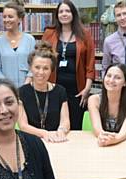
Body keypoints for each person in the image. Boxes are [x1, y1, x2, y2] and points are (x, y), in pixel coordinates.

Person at [42, 0, 96, 131]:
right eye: (61, 11)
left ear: (73, 14)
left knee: (76, 124)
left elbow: (90, 63)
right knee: (55, 124)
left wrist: (87, 88)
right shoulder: (49, 33)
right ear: (57, 15)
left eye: (67, 11)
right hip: (54, 86)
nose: (64, 14)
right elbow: (42, 59)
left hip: (77, 89)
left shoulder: (85, 34)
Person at [17, 41, 70, 143]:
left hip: (56, 140)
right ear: (30, 68)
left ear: (51, 70)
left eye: (46, 68)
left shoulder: (60, 91)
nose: (41, 72)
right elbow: (23, 126)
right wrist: (44, 133)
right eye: (37, 67)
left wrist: (61, 131)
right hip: (31, 141)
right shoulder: (21, 92)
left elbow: (65, 121)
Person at [0, 0, 36, 87]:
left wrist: (26, 85)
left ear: (19, 18)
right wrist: (8, 87)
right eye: (4, 17)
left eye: (10, 17)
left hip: (28, 87)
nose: (6, 20)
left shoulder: (30, 40)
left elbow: (33, 65)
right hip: (5, 89)